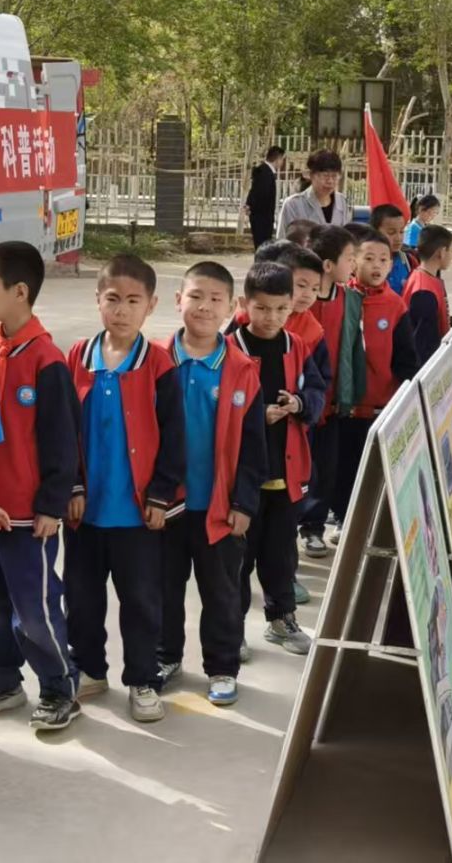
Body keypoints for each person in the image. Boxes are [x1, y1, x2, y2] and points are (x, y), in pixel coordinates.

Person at [0, 242, 82, 731]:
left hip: (30, 515)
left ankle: (59, 687)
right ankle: (2, 680)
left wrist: (53, 503)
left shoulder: (46, 360)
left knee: (34, 609)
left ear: (19, 291)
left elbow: (62, 440)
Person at [66, 255, 185, 725]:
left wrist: (160, 495)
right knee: (81, 599)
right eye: (113, 299)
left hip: (137, 514)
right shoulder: (77, 358)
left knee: (140, 602)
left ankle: (142, 679)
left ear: (151, 305)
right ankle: (89, 669)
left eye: (133, 301)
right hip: (84, 513)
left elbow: (175, 437)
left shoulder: (158, 364)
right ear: (97, 299)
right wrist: (71, 486)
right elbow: (62, 432)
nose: (122, 310)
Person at [158, 263, 266, 706]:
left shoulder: (242, 369)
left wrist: (244, 502)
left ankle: (222, 666)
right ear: (177, 300)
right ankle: (165, 657)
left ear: (231, 307)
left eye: (215, 299)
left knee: (221, 593)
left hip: (220, 508)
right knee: (163, 589)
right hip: (167, 506)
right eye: (195, 296)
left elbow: (255, 445)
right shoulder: (156, 362)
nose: (204, 307)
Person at [233, 263, 325, 663]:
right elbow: (217, 409)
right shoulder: (229, 348)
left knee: (281, 554)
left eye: (280, 309)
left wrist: (300, 404)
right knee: (238, 559)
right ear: (244, 304)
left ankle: (282, 618)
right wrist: (258, 416)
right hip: (242, 479)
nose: (271, 317)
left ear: (292, 307)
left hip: (287, 474)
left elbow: (317, 390)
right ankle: (231, 627)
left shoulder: (297, 346)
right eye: (262, 308)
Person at [320, 227, 417, 547]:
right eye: (369, 258)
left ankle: (368, 523)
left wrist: (406, 399)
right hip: (342, 404)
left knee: (372, 469)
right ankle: (342, 519)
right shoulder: (340, 299)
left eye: (384, 260)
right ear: (353, 262)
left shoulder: (395, 306)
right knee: (341, 466)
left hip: (378, 405)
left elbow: (406, 360)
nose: (377, 265)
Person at [297, 226, 359, 559]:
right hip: (301, 405)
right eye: (350, 258)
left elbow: (353, 351)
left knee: (326, 468)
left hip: (333, 402)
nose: (354, 264)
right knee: (298, 469)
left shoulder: (350, 300)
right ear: (327, 265)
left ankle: (314, 527)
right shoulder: (296, 305)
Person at [401, 226, 452, 370]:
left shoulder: (423, 277)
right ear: (441, 252)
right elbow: (424, 347)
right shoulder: (424, 292)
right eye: (451, 250)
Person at [278, 150, 354, 234]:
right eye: (325, 175)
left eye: (334, 176)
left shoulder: (342, 202)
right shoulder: (293, 205)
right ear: (311, 175)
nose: (330, 181)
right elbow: (283, 239)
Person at [248, 146, 286, 248]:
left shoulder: (264, 171)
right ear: (278, 159)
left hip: (261, 217)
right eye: (282, 159)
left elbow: (254, 190)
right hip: (262, 218)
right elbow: (261, 195)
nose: (282, 162)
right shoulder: (265, 173)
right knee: (263, 247)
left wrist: (249, 204)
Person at [371, 203, 413, 293]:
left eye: (401, 231)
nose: (398, 238)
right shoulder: (365, 263)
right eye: (391, 232)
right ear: (375, 232)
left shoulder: (409, 262)